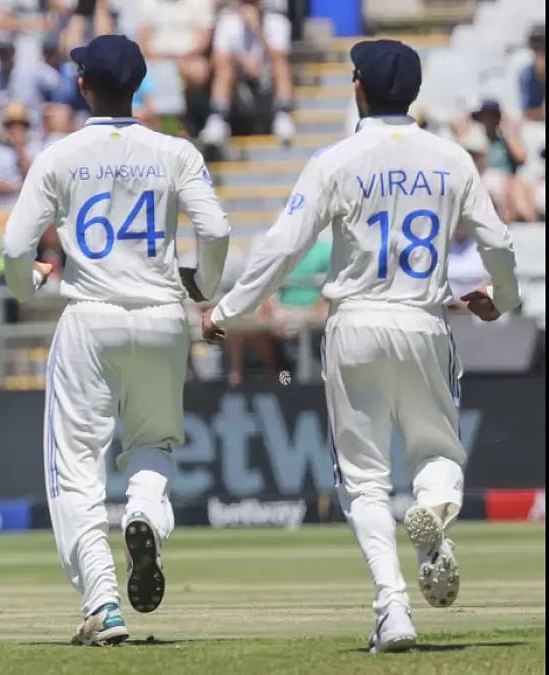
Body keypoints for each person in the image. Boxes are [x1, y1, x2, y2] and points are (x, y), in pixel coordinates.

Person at [201, 40, 520, 654]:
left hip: (355, 323)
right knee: (439, 453)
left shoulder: (336, 160)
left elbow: (282, 246)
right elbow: (499, 244)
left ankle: (393, 608)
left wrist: (228, 311)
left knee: (363, 480)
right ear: (415, 93)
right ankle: (431, 508)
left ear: (357, 88)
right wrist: (499, 300)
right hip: (424, 320)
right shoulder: (451, 158)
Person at [1, 34, 230, 646]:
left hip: (90, 316)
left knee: (74, 471)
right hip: (161, 315)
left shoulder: (60, 154)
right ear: (138, 86)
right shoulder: (173, 151)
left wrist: (30, 286)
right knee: (154, 444)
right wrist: (203, 286)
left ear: (82, 85)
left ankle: (102, 602)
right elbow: (217, 227)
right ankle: (144, 515)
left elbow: (14, 249)